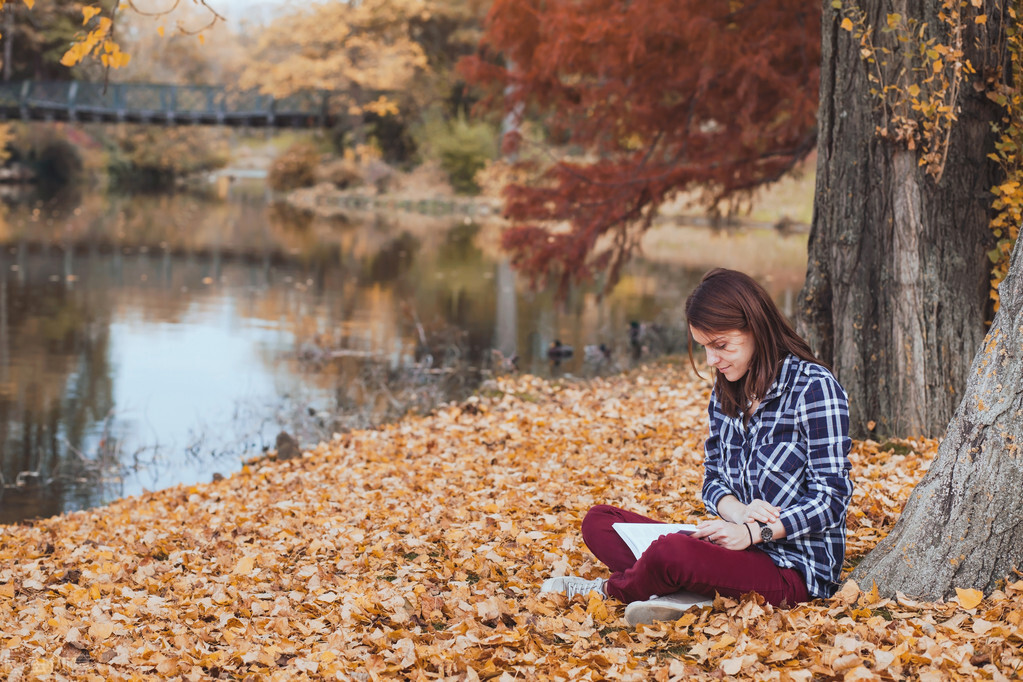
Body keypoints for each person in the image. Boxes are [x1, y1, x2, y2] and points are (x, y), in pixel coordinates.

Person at [540, 268, 853, 626]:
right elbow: (713, 481)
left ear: (756, 328)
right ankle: (682, 587)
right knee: (600, 521)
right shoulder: (726, 393)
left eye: (721, 346)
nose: (711, 361)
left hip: (793, 569)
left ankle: (610, 591)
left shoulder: (814, 387)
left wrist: (755, 532)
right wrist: (738, 515)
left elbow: (832, 498)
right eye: (704, 347)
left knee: (671, 553)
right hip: (735, 543)